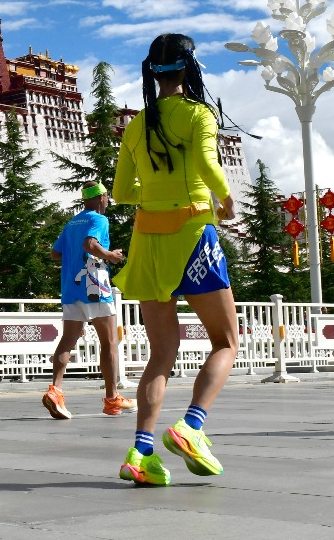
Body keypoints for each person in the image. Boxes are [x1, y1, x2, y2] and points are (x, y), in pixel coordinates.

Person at [111, 33, 238, 487]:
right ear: (189, 68)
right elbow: (205, 162)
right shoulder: (198, 114)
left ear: (154, 71)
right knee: (226, 342)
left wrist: (156, 192)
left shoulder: (136, 125)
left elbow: (123, 193)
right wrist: (224, 197)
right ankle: (192, 426)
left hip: (147, 240)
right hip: (191, 235)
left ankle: (140, 454)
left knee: (161, 353)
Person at [43, 181, 136, 419]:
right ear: (101, 197)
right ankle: (112, 398)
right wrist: (110, 256)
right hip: (96, 286)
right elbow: (90, 244)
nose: (107, 202)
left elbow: (55, 253)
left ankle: (56, 390)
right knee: (110, 342)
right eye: (107, 197)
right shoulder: (99, 219)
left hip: (70, 288)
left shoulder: (72, 222)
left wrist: (76, 254)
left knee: (68, 339)